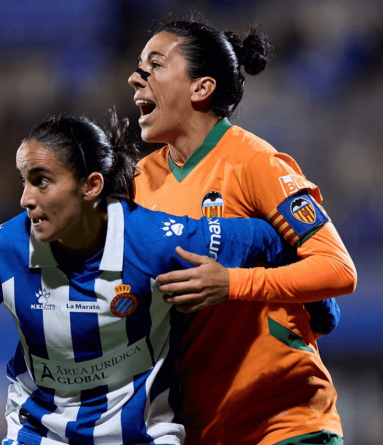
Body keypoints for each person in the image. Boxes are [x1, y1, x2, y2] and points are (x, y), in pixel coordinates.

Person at [0, 110, 297, 445]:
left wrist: (314, 303)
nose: (25, 199)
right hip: (40, 434)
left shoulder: (154, 240)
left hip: (143, 435)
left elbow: (270, 237)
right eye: (23, 182)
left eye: (41, 182)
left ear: (91, 186)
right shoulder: (6, 248)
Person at [127, 17, 357, 445]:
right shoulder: (139, 184)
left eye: (155, 65)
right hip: (202, 430)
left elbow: (338, 269)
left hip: (286, 425)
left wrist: (231, 283)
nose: (135, 78)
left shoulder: (255, 163)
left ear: (201, 88)